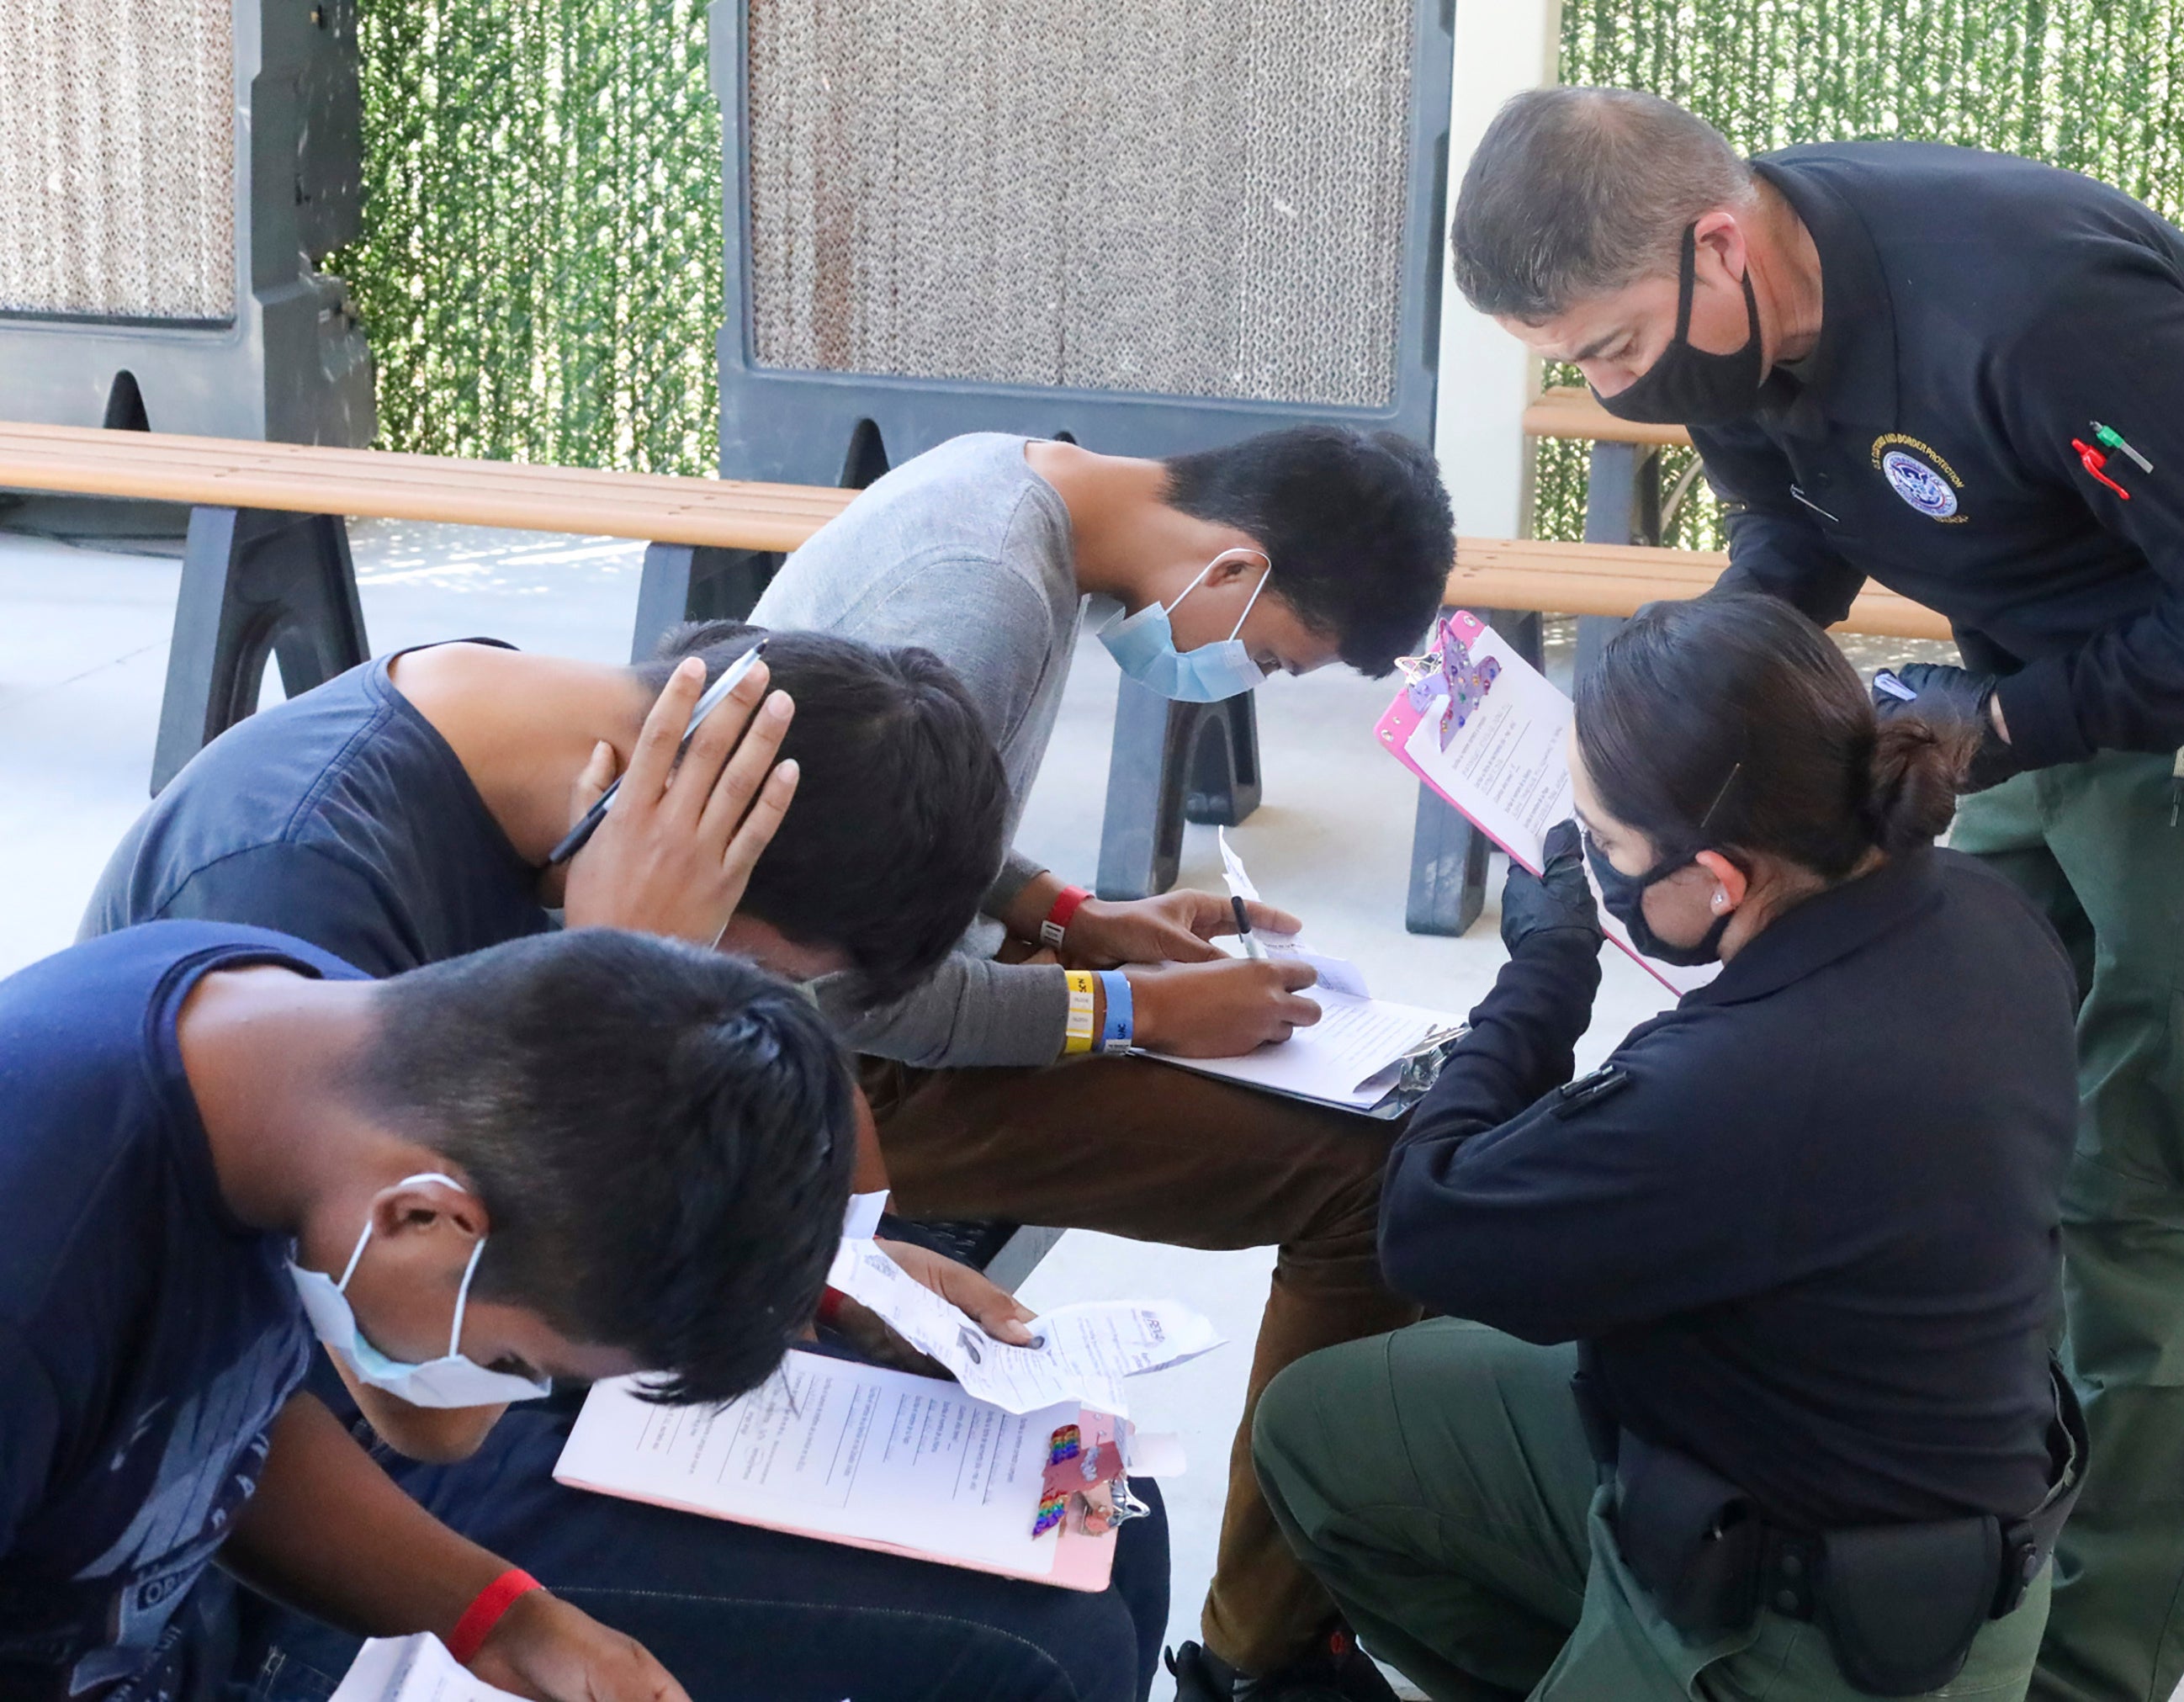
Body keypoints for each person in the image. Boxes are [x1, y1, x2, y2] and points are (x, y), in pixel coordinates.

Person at [1447, 88, 2184, 1702]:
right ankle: (1975, 1597)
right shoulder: (1734, 334)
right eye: (1578, 364)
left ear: (1720, 243)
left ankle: (2081, 1675)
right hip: (2042, 690)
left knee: (2166, 1218)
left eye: (1610, 347)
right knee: (1968, 1142)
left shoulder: (2030, 312)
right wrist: (1686, 719)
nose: (1611, 388)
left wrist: (2009, 726)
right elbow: (1789, 529)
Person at [80, 630, 1173, 1700]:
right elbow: (400, 1382)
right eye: (747, 967)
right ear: (708, 842)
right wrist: (602, 978)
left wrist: (840, 1266)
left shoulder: (534, 752)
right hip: (307, 1471)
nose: (739, 991)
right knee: (1044, 1643)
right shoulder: (295, 879)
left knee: (1105, 1505)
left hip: (509, 1333)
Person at [1248, 592, 2083, 1701]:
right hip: (1867, 1494)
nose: (1590, 867)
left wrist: (1541, 976)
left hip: (1818, 1633)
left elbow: (1432, 1226)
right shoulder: (1980, 909)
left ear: (1720, 876)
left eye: (1602, 844)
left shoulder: (1741, 1080)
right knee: (1324, 1427)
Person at [746, 424, 1459, 1695]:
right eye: (1276, 661)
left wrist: (1076, 919)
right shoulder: (985, 598)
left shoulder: (1008, 485)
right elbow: (866, 989)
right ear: (1233, 568)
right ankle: (1259, 1659)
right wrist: (1137, 1008)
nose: (1247, 680)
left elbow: (889, 828)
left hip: (847, 998)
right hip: (809, 1069)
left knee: (1396, 1128)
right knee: (1379, 1180)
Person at [0, 921, 856, 1702]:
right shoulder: (35, 1275)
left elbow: (192, 1430)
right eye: (515, 1364)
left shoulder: (335, 1059)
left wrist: (508, 1623)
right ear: (424, 1218)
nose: (488, 1412)